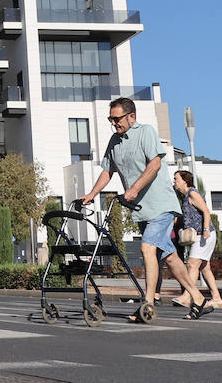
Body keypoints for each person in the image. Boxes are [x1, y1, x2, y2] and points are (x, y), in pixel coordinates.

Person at [80, 98, 212, 321]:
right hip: (141, 209)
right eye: (111, 119)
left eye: (117, 118)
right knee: (169, 257)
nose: (113, 123)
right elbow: (107, 171)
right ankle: (198, 298)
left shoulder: (146, 132)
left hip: (161, 205)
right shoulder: (114, 141)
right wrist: (92, 194)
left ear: (131, 116)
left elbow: (155, 164)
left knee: (147, 248)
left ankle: (148, 304)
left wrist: (134, 188)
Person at [172, 170, 222, 310]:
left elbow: (206, 211)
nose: (174, 181)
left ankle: (187, 296)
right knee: (204, 268)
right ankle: (217, 298)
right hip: (199, 236)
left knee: (192, 264)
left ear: (184, 181)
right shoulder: (185, 197)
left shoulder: (193, 193)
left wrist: (206, 229)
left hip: (204, 235)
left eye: (176, 179)